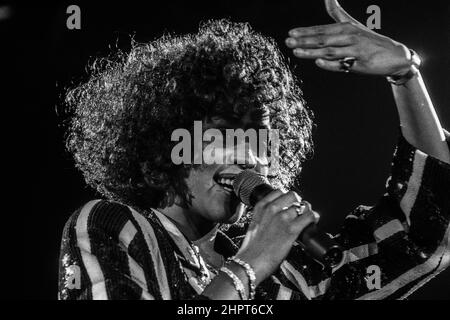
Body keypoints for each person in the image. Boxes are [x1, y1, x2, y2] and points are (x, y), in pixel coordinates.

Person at [58, 0, 450, 300]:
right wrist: (250, 264)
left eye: (258, 138)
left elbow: (422, 236)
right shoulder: (115, 226)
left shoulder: (291, 270)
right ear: (163, 149)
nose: (249, 154)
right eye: (224, 135)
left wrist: (405, 75)